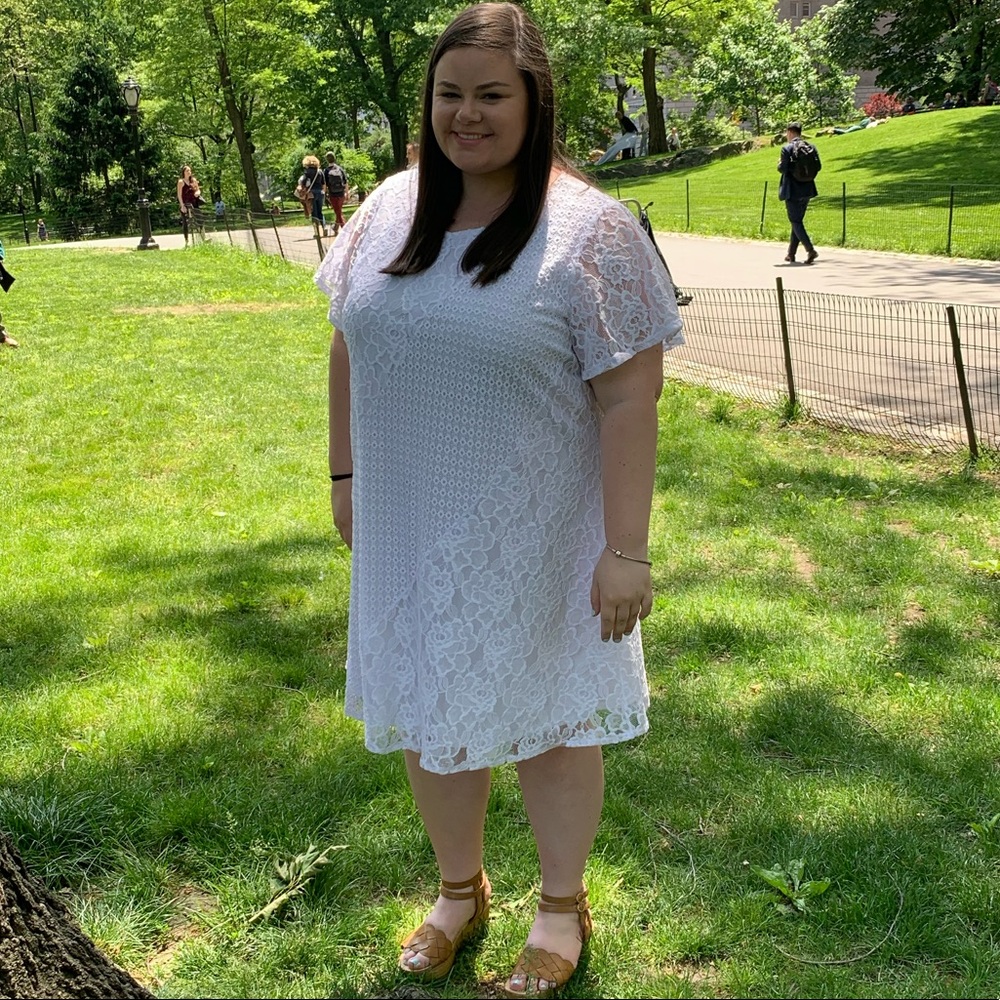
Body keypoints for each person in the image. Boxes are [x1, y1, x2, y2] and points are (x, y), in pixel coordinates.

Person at [315, 4, 683, 997]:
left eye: (490, 95)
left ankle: (560, 906)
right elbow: (348, 336)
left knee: (553, 717)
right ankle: (457, 891)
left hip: (539, 527)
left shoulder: (590, 231)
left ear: (534, 102)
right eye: (449, 94)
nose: (465, 115)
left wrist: (627, 549)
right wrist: (345, 477)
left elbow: (628, 395)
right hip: (404, 519)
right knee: (429, 698)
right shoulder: (388, 208)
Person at [777, 121, 821, 265]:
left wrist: (780, 164)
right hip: (808, 189)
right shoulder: (810, 147)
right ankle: (791, 254)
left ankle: (810, 250)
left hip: (792, 191)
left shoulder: (787, 148)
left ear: (789, 132)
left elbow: (782, 169)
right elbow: (818, 166)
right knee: (797, 222)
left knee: (795, 221)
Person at [297, 155, 326, 236]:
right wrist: (323, 192)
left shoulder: (307, 172)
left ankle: (316, 232)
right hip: (320, 193)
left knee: (314, 213)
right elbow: (324, 184)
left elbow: (303, 182)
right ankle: (324, 227)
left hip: (311, 194)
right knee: (320, 212)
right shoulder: (320, 172)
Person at [177, 165, 204, 246]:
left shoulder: (193, 180)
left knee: (200, 220)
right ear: (183, 172)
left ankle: (203, 238)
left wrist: (198, 192)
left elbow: (198, 189)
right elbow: (179, 194)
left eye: (190, 170)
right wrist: (182, 205)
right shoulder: (181, 182)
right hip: (186, 204)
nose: (189, 172)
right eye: (187, 171)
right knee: (186, 223)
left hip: (194, 203)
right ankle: (187, 240)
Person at [323, 151, 349, 235]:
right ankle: (335, 228)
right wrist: (346, 193)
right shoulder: (340, 169)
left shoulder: (326, 171)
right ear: (335, 158)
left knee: (338, 213)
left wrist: (325, 195)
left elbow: (325, 184)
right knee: (339, 211)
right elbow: (346, 182)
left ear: (327, 160)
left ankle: (345, 230)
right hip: (341, 193)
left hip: (333, 194)